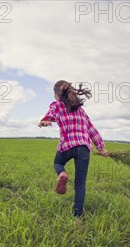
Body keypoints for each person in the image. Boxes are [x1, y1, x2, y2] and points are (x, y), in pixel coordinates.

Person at [38, 80, 109, 218]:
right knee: (80, 183)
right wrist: (101, 148)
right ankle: (78, 217)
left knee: (58, 163)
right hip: (83, 147)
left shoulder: (57, 105)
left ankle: (62, 174)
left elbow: (50, 116)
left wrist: (44, 121)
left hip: (67, 146)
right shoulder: (81, 110)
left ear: (57, 94)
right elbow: (91, 129)